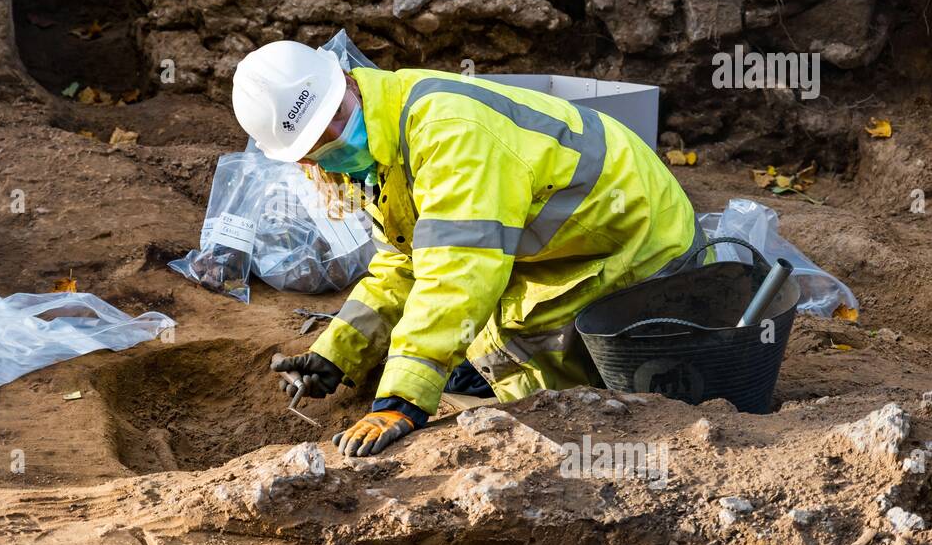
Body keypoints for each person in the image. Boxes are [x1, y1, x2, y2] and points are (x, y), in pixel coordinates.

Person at [232, 40, 701, 457]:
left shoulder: (449, 133)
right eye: (320, 137)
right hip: (564, 252)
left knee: (519, 392)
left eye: (336, 112)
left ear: (347, 80)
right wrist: (337, 353)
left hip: (637, 260)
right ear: (301, 157)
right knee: (462, 367)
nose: (337, 134)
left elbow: (457, 273)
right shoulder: (389, 135)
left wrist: (402, 401)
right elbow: (406, 262)